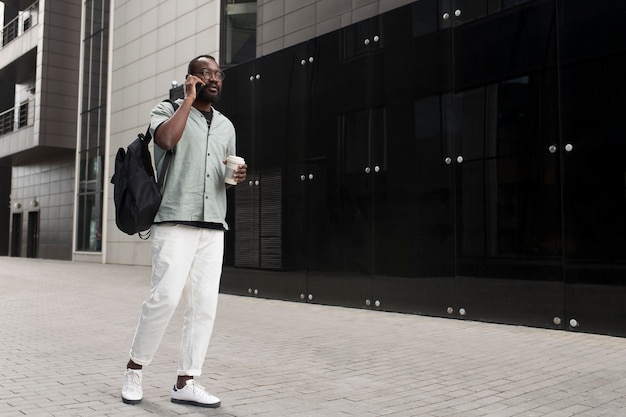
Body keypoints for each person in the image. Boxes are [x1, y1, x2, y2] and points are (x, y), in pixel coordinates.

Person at [121, 54, 247, 409]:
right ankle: (134, 368)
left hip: (212, 226)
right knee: (164, 299)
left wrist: (238, 176)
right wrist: (187, 100)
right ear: (190, 78)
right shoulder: (167, 110)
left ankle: (186, 381)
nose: (214, 79)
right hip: (174, 221)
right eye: (205, 73)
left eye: (218, 75)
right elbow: (164, 142)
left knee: (204, 306)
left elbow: (227, 170)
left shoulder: (226, 126)